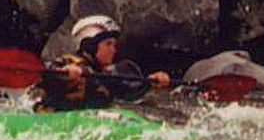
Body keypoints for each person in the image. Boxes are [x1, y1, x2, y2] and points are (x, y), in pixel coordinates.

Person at [33, 14, 173, 112]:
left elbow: (128, 91)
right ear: (90, 46)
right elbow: (45, 74)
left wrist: (149, 82)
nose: (113, 50)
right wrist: (64, 74)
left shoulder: (107, 75)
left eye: (114, 45)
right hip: (53, 117)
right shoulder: (69, 62)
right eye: (108, 44)